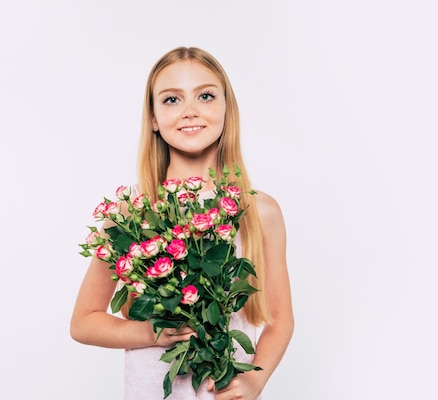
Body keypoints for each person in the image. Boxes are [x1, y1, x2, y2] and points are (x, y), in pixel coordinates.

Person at [70, 46, 294, 400]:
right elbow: (84, 321)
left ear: (226, 109)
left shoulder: (257, 210)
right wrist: (152, 333)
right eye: (172, 99)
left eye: (205, 96)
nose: (190, 111)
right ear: (154, 118)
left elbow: (280, 319)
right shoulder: (130, 215)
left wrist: (256, 380)